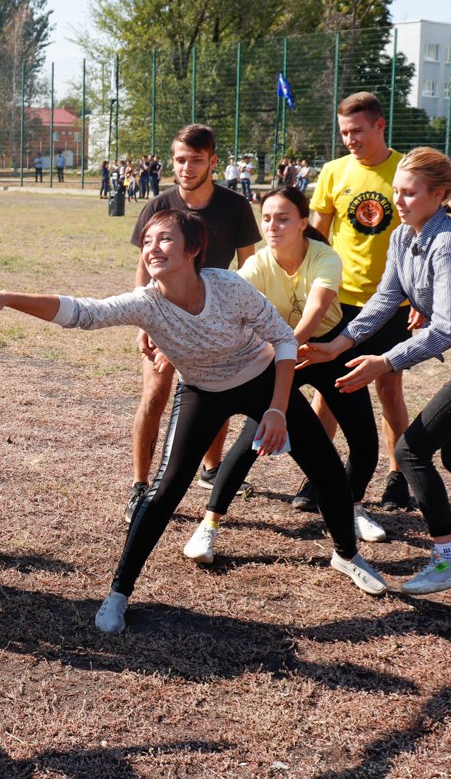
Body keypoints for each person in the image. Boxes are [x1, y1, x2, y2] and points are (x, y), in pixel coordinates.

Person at [0, 208, 388, 634]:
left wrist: (277, 409)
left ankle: (346, 554)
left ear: (193, 249)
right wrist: (9, 297)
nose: (153, 248)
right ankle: (119, 593)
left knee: (329, 474)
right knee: (163, 492)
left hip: (262, 382)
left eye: (165, 239)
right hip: (202, 392)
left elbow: (283, 338)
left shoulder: (228, 286)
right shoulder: (146, 303)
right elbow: (83, 312)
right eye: (148, 241)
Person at [300, 147, 451, 595]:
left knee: (411, 450)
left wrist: (386, 361)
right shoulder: (404, 236)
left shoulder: (450, 244)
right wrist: (337, 345)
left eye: (409, 193)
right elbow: (385, 300)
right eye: (396, 192)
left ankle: (449, 559)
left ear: (440, 195)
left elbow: (442, 330)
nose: (399, 201)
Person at [187, 187, 384, 564]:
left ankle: (352, 507)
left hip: (325, 349)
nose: (272, 226)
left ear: (303, 222)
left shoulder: (325, 257)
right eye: (266, 218)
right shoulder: (258, 264)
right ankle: (209, 525)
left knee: (364, 441)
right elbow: (226, 303)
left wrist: (286, 347)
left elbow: (315, 311)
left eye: (283, 218)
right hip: (280, 354)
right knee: (252, 439)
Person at [125, 124, 259, 521]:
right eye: (180, 159)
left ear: (213, 162)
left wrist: (242, 317)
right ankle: (140, 486)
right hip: (163, 315)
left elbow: (249, 266)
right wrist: (143, 319)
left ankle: (212, 469)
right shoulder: (159, 205)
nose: (186, 167)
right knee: (154, 395)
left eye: (196, 160)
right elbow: (142, 267)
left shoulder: (235, 206)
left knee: (216, 397)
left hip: (215, 319)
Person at [303, 92, 412, 515]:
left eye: (358, 131)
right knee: (329, 390)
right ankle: (319, 474)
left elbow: (422, 239)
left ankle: (397, 476)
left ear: (380, 126)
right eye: (344, 132)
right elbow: (316, 238)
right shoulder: (333, 172)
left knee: (389, 388)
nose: (350, 139)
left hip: (391, 305)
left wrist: (419, 297)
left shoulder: (404, 170)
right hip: (340, 302)